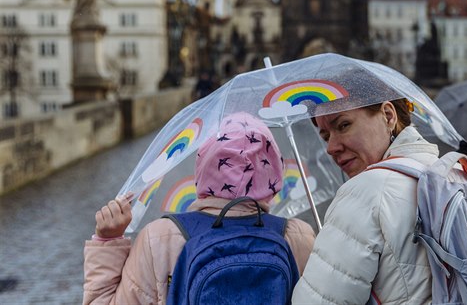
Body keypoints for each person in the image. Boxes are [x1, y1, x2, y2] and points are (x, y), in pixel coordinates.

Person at [83, 112, 316, 304]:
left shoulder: (159, 238)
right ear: (274, 172)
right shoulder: (298, 236)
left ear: (203, 166)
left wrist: (108, 241)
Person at [292, 97, 444, 304]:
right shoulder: (450, 173)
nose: (331, 147)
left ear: (388, 116)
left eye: (343, 125)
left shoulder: (366, 190)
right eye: (326, 136)